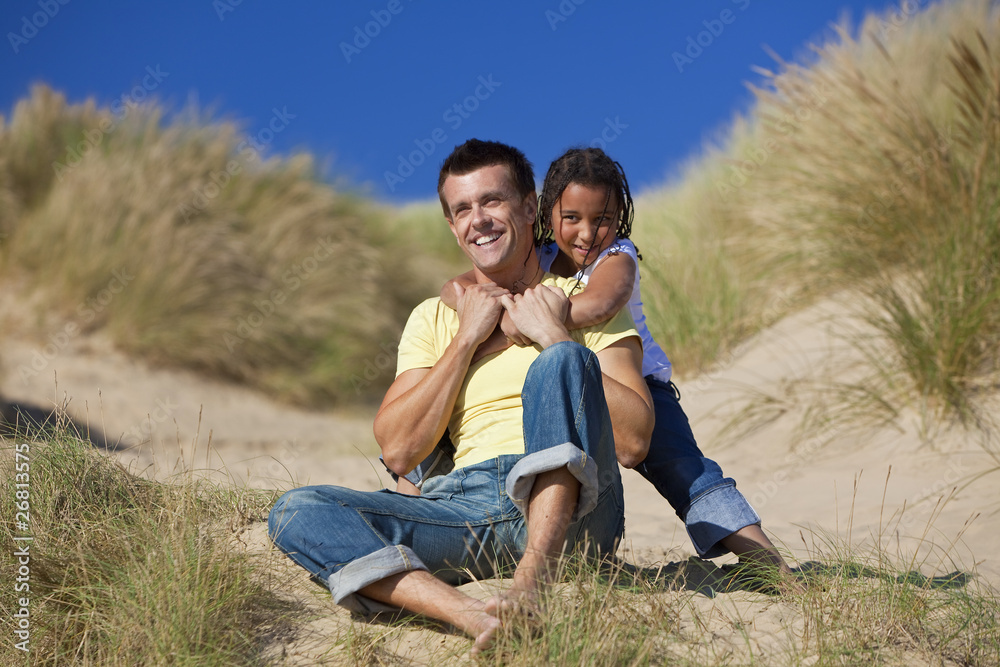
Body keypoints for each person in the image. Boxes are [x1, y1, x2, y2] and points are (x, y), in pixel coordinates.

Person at [268, 139, 654, 654]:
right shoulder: (434, 318)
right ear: (452, 226)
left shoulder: (582, 301)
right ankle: (474, 616)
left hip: (580, 513)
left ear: (528, 207)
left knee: (560, 362)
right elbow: (399, 450)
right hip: (467, 511)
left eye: (492, 201)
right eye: (463, 210)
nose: (480, 220)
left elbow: (633, 443)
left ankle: (530, 584)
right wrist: (466, 338)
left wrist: (557, 338)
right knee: (297, 510)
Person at [415, 146, 795, 581]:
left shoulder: (616, 255)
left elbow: (601, 302)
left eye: (604, 218)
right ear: (545, 213)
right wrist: (482, 306)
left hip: (638, 385)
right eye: (572, 217)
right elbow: (455, 286)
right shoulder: (537, 257)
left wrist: (533, 320)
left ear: (620, 218)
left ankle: (771, 567)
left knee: (686, 472)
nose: (588, 233)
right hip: (572, 376)